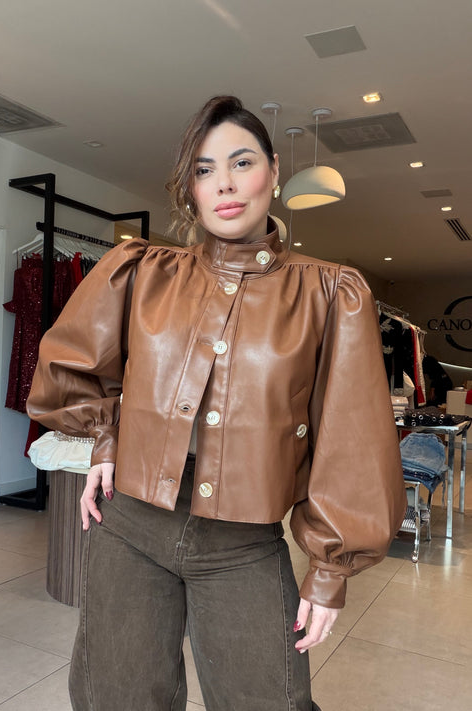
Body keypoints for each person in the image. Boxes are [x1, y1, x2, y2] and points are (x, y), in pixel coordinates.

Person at [27, 96, 406, 711]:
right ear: (191, 188)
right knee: (115, 698)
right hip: (128, 525)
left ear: (274, 171)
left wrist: (330, 568)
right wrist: (105, 438)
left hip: (243, 544)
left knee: (268, 700)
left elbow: (352, 442)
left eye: (241, 162)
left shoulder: (329, 293)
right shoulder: (139, 272)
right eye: (204, 169)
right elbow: (73, 366)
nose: (224, 183)